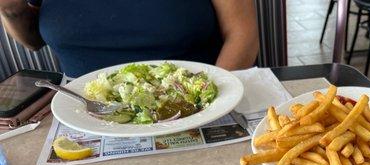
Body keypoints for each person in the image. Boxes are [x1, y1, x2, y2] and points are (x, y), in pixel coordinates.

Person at [0, 0, 259, 77]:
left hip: (201, 106)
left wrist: (210, 100)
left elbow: (243, 36)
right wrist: (10, 10)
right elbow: (33, 41)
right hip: (82, 115)